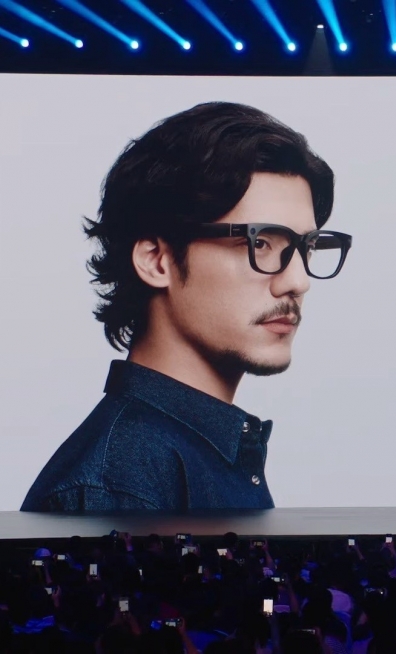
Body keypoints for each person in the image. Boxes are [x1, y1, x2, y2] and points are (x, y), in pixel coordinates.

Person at [21, 101, 352, 512]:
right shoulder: (119, 485)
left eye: (307, 247)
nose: (298, 281)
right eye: (260, 243)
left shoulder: (199, 450)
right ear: (157, 261)